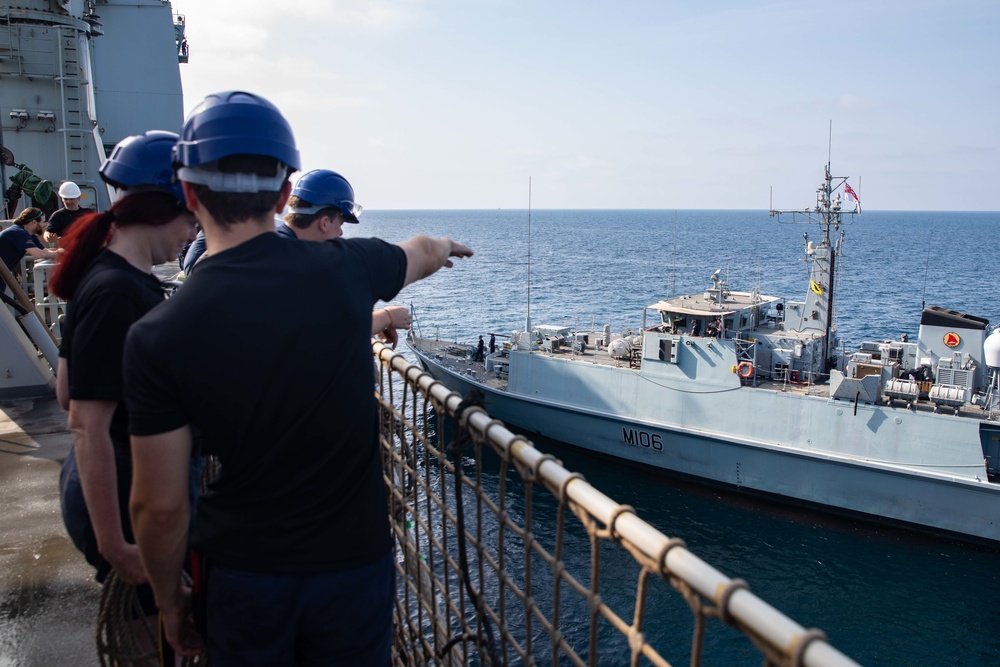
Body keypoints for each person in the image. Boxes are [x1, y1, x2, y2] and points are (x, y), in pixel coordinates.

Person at [124, 90, 472, 664]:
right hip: (354, 565)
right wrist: (445, 246)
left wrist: (172, 601)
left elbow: (159, 509)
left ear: (188, 193)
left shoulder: (157, 334)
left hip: (244, 573)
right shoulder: (349, 269)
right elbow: (419, 252)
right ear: (286, 194)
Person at [50, 131, 198, 614]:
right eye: (191, 217)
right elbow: (84, 424)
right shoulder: (118, 292)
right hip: (123, 506)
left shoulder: (109, 276)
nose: (193, 233)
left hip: (111, 490)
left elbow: (66, 390)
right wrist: (117, 548)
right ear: (162, 209)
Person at [0, 207, 62, 279]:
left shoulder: (30, 234)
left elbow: (45, 251)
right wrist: (61, 253)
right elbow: (38, 254)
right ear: (34, 222)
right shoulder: (19, 232)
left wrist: (59, 251)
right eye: (43, 222)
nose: (44, 225)